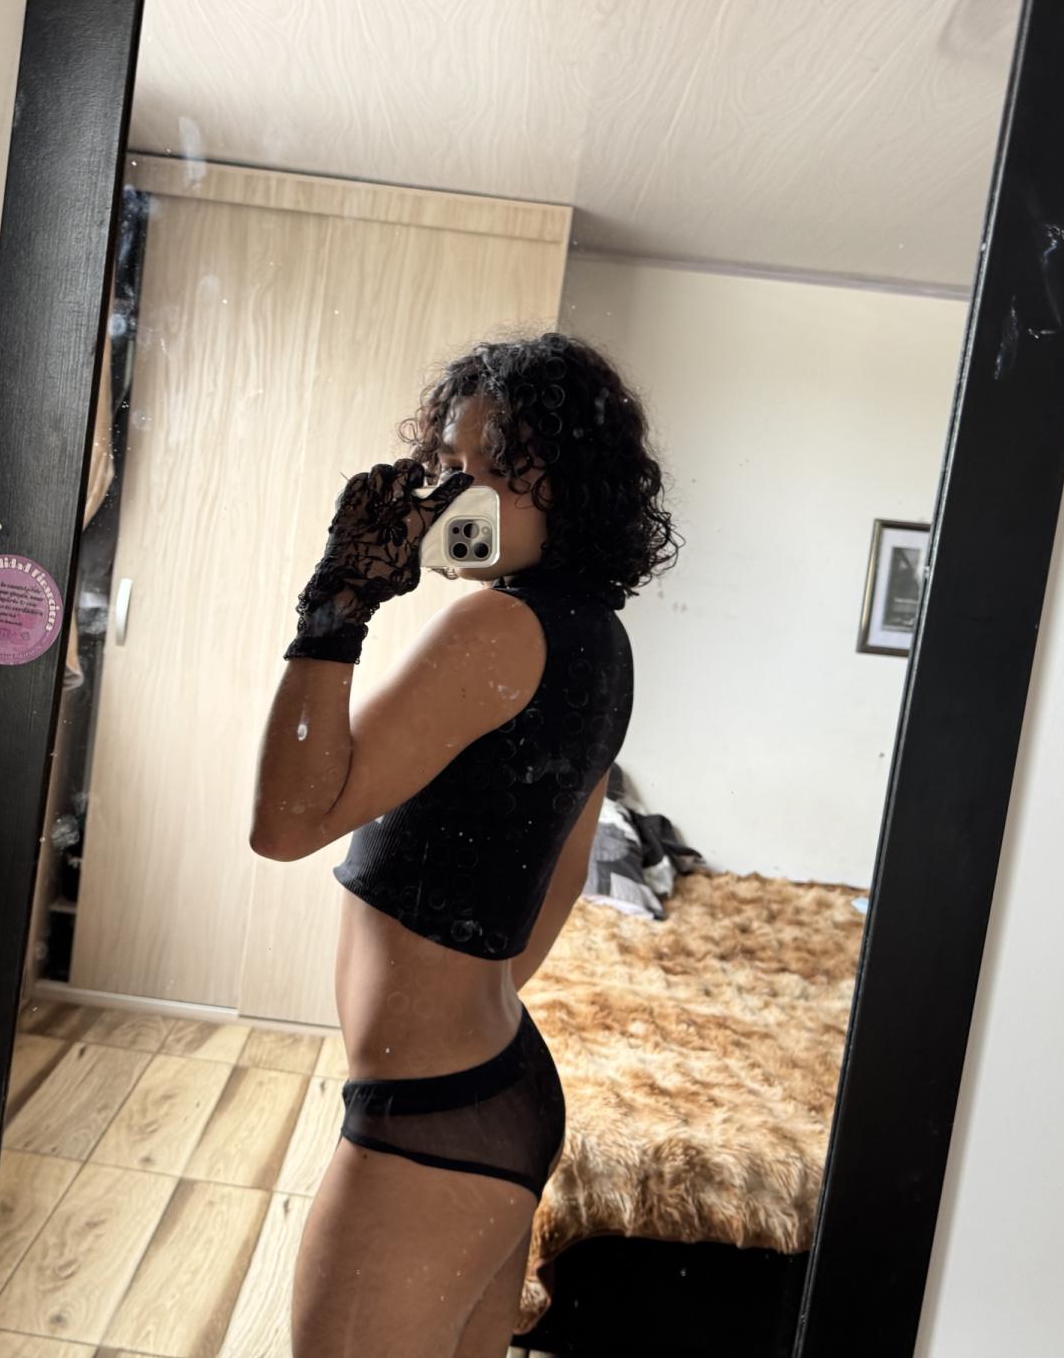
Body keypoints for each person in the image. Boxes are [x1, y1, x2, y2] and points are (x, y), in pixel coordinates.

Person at [250, 332, 679, 1358]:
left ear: (561, 486)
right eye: (445, 462)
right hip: (502, 1089)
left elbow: (285, 825)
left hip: (431, 1123)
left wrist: (337, 602)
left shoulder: (494, 630)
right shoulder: (599, 641)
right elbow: (560, 883)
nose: (450, 492)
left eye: (487, 469)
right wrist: (455, 1005)